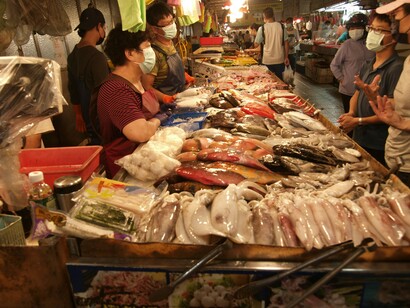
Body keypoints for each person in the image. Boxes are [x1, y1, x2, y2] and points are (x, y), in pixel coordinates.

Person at [96, 24, 164, 178]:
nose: (152, 53)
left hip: (146, 161)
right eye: (147, 47)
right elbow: (140, 133)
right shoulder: (115, 89)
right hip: (126, 170)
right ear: (130, 53)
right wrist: (157, 120)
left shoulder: (137, 81)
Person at [338, 13, 403, 166]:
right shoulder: (369, 63)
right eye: (372, 28)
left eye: (379, 30)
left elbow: (394, 110)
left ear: (393, 38)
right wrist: (351, 113)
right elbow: (357, 92)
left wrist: (358, 121)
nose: (373, 33)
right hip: (360, 136)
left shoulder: (396, 68)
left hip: (379, 142)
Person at [357, 0, 410, 186]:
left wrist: (403, 123)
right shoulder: (408, 61)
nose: (398, 23)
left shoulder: (396, 66)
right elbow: (401, 103)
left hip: (404, 161)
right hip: (395, 155)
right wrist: (378, 100)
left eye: (398, 15)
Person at [67, 7, 110, 145]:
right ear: (98, 26)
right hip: (101, 122)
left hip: (87, 119)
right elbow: (105, 95)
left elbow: (72, 89)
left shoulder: (73, 55)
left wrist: (78, 115)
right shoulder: (97, 57)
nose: (104, 31)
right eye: (104, 27)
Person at [142, 2, 195, 105]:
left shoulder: (170, 43)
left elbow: (168, 70)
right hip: (164, 108)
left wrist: (184, 76)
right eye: (166, 25)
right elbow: (146, 86)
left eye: (171, 21)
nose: (171, 26)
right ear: (154, 29)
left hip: (180, 101)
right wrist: (165, 98)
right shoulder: (153, 53)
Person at [330, 14, 375, 113]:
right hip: (349, 89)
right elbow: (334, 65)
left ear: (364, 28)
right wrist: (342, 79)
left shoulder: (371, 44)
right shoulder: (347, 45)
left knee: (364, 116)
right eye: (352, 28)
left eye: (358, 27)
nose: (355, 30)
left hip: (367, 89)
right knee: (350, 115)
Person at [245, 7, 289, 79]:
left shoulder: (262, 28)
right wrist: (286, 57)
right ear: (273, 15)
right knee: (280, 81)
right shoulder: (281, 26)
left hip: (267, 60)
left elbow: (256, 44)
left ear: (264, 16)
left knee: (268, 81)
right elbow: (286, 43)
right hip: (280, 60)